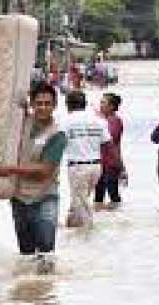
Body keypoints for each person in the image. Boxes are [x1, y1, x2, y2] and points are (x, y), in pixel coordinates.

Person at [0, 83, 67, 273]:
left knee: (46, 252)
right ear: (32, 105)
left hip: (45, 197)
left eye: (48, 103)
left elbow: (44, 171)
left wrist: (10, 170)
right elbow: (9, 104)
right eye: (39, 103)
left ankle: (45, 294)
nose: (43, 107)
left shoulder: (58, 135)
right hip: (19, 197)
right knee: (26, 254)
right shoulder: (21, 125)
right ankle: (28, 295)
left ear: (55, 105)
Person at [62, 90, 112, 228]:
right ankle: (71, 227)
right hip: (96, 167)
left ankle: (88, 233)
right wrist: (116, 167)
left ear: (68, 105)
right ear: (85, 104)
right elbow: (108, 144)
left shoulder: (66, 121)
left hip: (77, 167)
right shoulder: (99, 121)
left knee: (81, 203)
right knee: (79, 200)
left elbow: (58, 144)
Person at [94, 93, 125, 211]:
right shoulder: (103, 120)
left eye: (103, 103)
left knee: (113, 196)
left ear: (112, 106)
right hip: (100, 162)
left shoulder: (115, 121)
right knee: (98, 197)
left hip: (111, 163)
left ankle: (116, 221)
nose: (100, 105)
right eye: (100, 102)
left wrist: (121, 167)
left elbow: (110, 139)